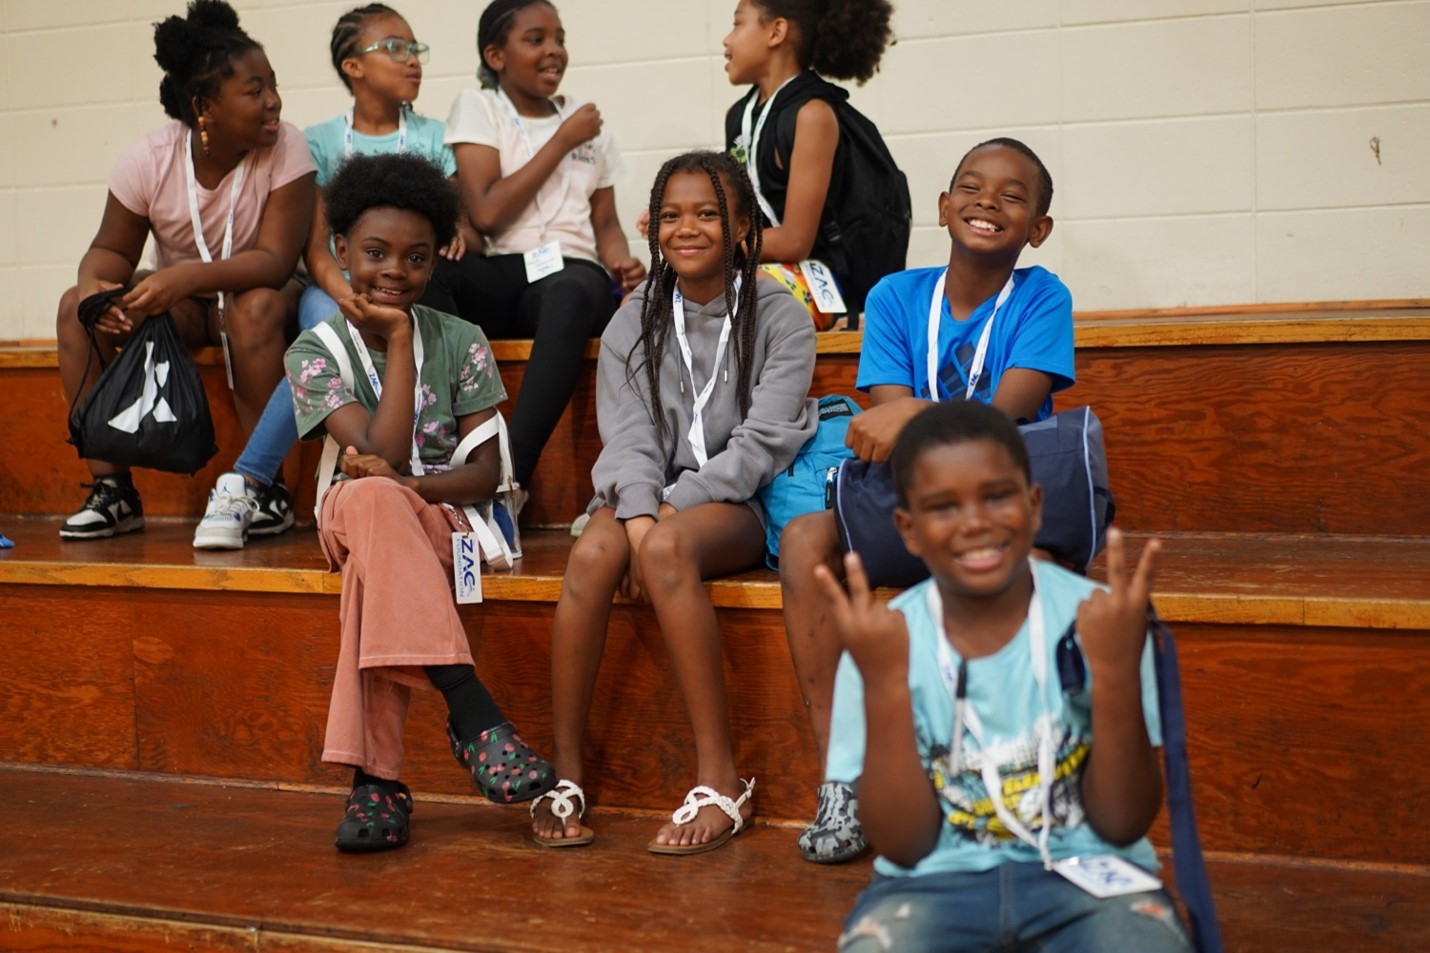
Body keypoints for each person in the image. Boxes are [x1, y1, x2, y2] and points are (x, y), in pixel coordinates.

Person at [779, 137, 1074, 862]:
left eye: (1012, 195)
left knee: (1032, 564)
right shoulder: (895, 296)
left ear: (1038, 227)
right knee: (802, 541)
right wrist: (906, 419)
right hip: (909, 499)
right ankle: (842, 779)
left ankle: (1009, 779)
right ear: (942, 208)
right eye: (971, 187)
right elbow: (884, 434)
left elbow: (1000, 430)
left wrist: (913, 414)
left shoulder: (1043, 295)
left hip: (991, 508)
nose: (987, 202)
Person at [818, 401, 1191, 952]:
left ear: (1035, 506)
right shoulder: (883, 645)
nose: (974, 522)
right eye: (943, 507)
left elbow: (1123, 823)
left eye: (997, 496)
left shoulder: (1101, 621)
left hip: (1086, 871)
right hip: (935, 883)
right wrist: (885, 685)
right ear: (909, 530)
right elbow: (904, 845)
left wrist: (1113, 673)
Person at [528, 150, 817, 854]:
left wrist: (661, 515)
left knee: (662, 546)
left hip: (733, 502)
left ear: (744, 225)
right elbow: (624, 436)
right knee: (593, 551)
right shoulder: (635, 317)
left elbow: (759, 447)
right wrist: (635, 512)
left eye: (709, 213)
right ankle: (565, 773)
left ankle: (722, 780)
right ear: (651, 226)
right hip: (644, 497)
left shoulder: (782, 315)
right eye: (670, 215)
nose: (687, 228)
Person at [284, 152, 555, 852]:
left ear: (436, 261)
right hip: (349, 512)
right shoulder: (315, 351)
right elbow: (382, 447)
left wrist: (408, 486)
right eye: (374, 253)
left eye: (415, 257)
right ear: (341, 251)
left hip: (440, 515)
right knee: (372, 499)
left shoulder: (461, 340)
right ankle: (471, 709)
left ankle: (374, 784)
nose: (394, 272)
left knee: (375, 560)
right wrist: (399, 342)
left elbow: (486, 471)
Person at [196, 3, 465, 550]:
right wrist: (347, 296)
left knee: (360, 326)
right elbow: (319, 248)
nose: (412, 60)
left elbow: (456, 230)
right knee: (322, 325)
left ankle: (250, 478)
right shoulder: (317, 140)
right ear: (353, 66)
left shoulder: (437, 135)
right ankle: (252, 481)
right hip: (336, 285)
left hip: (409, 288)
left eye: (416, 49)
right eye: (396, 47)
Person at [55, 0, 315, 541]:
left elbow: (273, 261)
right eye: (254, 90)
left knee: (256, 305)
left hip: (258, 297)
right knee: (73, 309)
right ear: (204, 107)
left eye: (272, 85)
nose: (274, 102)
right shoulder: (150, 157)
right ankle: (114, 491)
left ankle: (269, 489)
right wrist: (94, 292)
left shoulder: (286, 145)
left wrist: (186, 276)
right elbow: (107, 253)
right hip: (187, 305)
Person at [428, 0, 646, 507]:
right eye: (535, 39)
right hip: (507, 268)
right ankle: (443, 440)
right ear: (496, 55)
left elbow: (606, 223)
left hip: (573, 273)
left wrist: (622, 262)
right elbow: (485, 213)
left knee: (572, 289)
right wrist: (562, 140)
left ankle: (509, 479)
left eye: (559, 38)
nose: (554, 51)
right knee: (431, 272)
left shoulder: (591, 125)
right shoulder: (480, 108)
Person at [722, 0, 901, 327]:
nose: (726, 40)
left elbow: (794, 241)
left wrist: (713, 241)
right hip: (758, 267)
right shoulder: (738, 116)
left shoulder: (812, 114)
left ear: (776, 31)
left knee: (728, 298)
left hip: (824, 282)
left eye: (737, 24)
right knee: (655, 294)